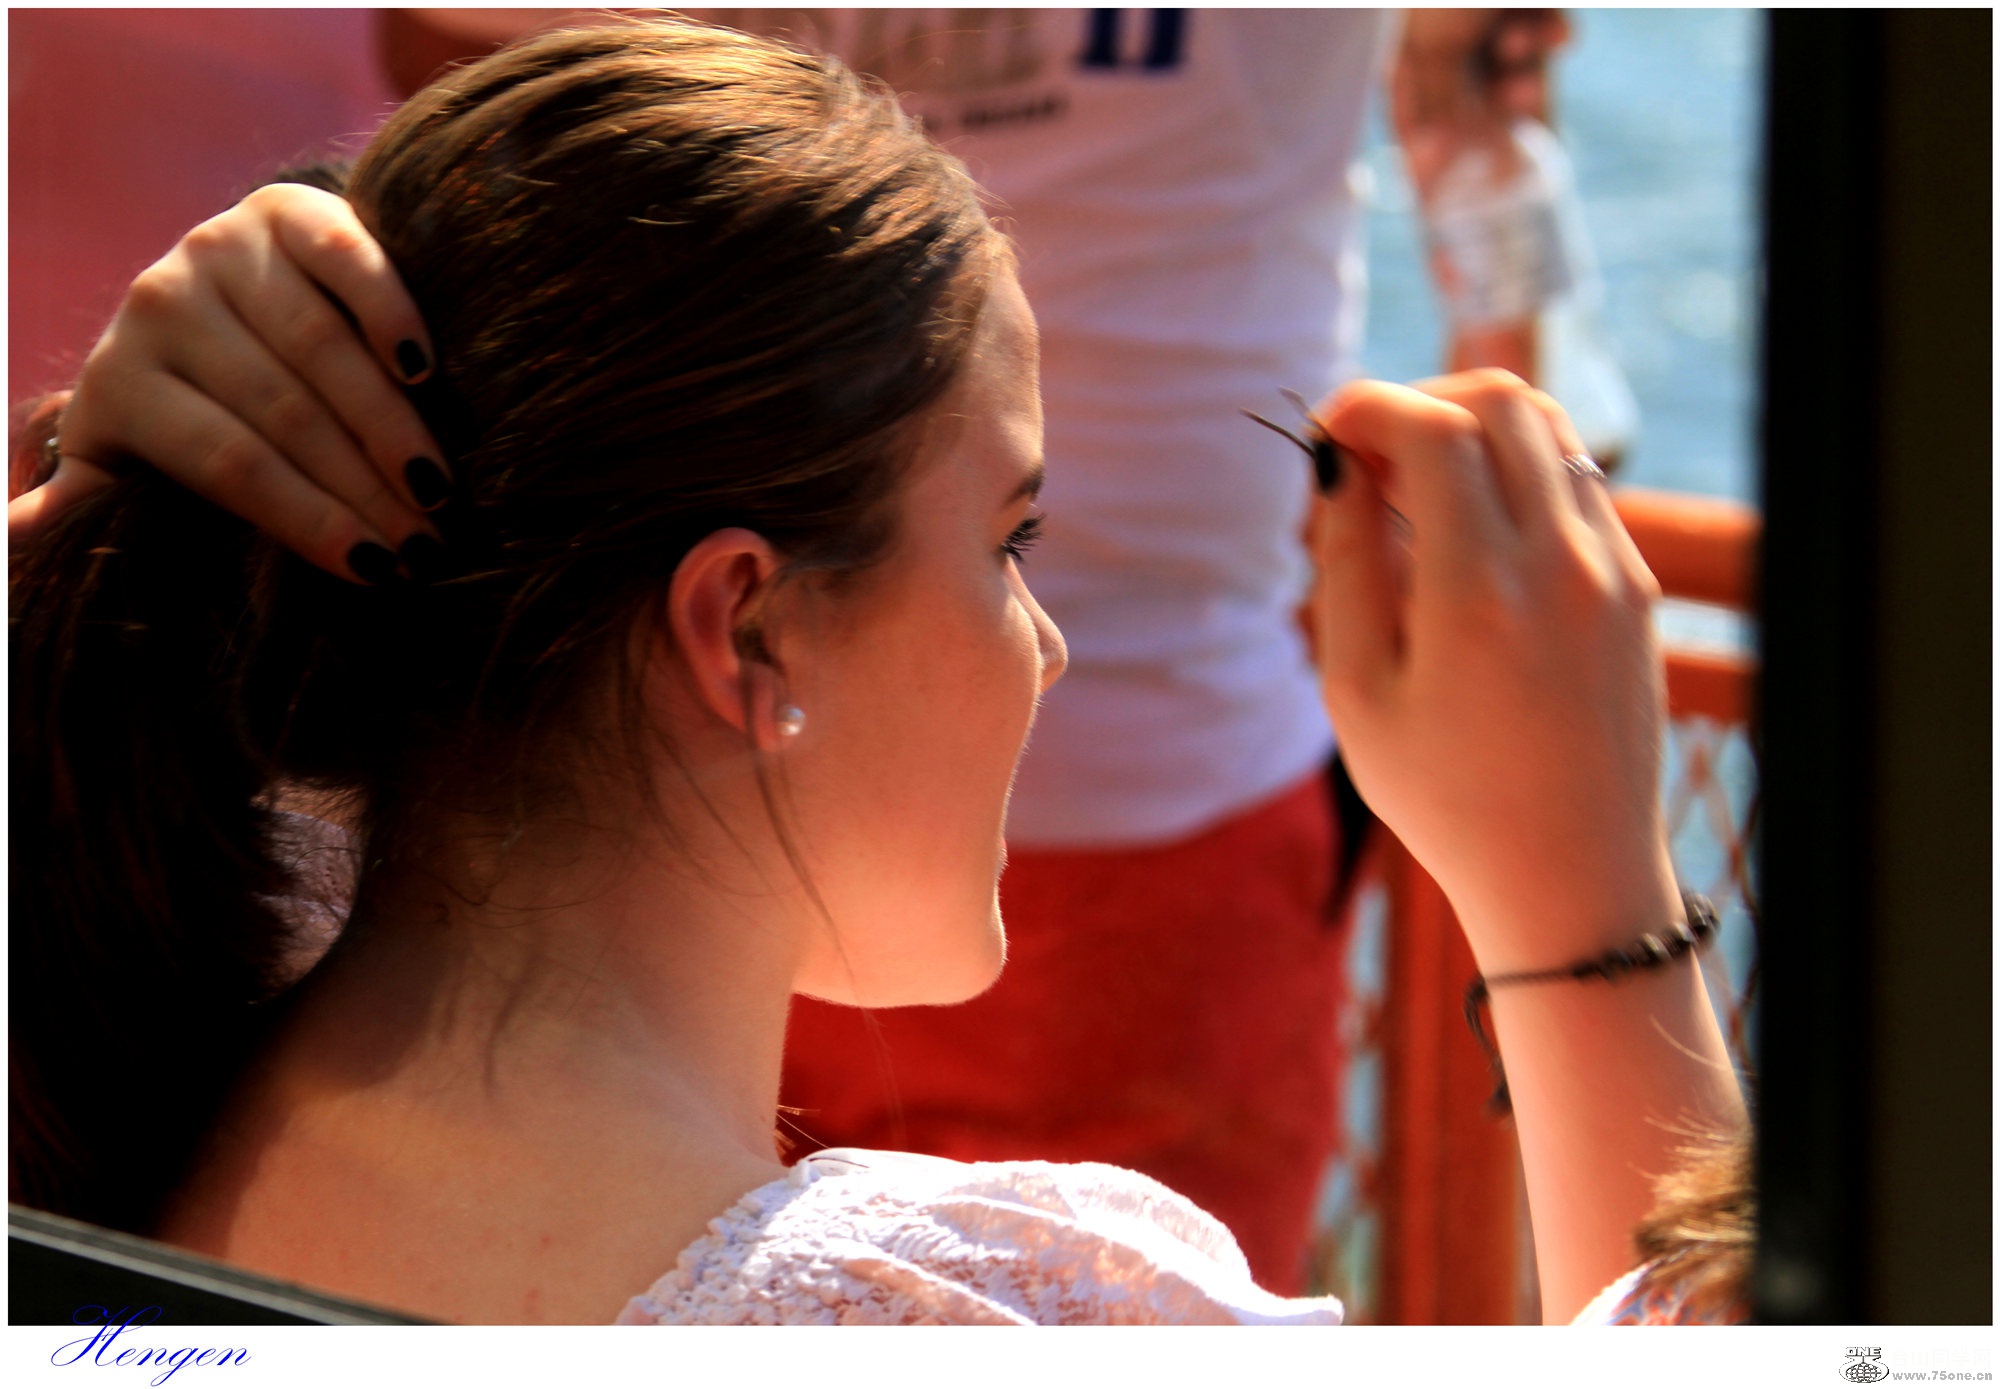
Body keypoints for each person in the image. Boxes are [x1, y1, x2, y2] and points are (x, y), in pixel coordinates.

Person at [11, 17, 1743, 1325]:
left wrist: (80, 503)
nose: (1047, 642)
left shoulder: (136, 1004)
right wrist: (1590, 904)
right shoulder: (1022, 1313)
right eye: (1012, 540)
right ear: (746, 624)